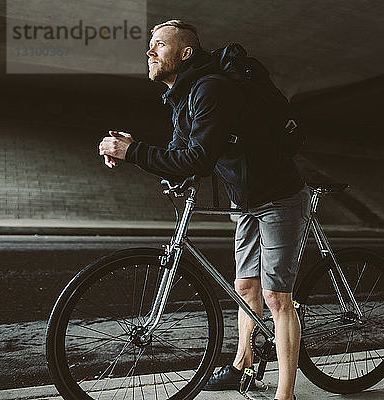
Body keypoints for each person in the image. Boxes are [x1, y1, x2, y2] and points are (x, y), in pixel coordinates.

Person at [98, 19, 307, 400]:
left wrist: (133, 153)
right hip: (245, 199)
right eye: (151, 45)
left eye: (159, 45)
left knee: (277, 297)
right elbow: (182, 153)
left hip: (278, 197)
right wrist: (138, 149)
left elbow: (198, 158)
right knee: (245, 288)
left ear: (185, 53)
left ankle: (286, 394)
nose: (150, 52)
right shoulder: (183, 96)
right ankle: (242, 364)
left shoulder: (210, 89)